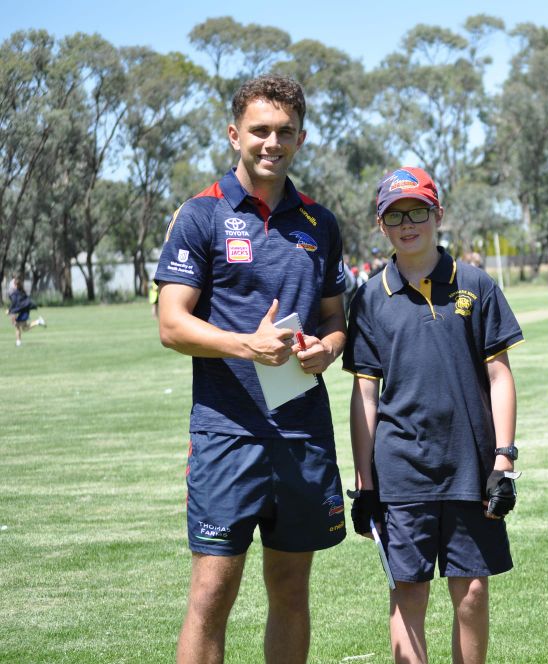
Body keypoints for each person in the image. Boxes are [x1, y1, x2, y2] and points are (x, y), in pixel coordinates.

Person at [153, 75, 349, 664]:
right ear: (235, 134)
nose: (272, 142)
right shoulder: (201, 215)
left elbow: (337, 321)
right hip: (225, 436)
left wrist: (327, 351)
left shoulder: (321, 225)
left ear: (302, 138)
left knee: (291, 591)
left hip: (301, 433)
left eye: (284, 131)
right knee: (212, 594)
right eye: (260, 130)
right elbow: (171, 324)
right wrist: (249, 346)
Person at [344, 166, 523, 664]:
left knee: (472, 595)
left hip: (471, 466)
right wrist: (365, 484)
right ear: (381, 225)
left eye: (418, 211)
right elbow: (364, 395)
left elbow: (500, 377)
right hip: (401, 471)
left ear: (438, 214)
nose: (408, 223)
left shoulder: (476, 284)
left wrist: (504, 461)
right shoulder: (369, 299)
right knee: (409, 594)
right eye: (395, 215)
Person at [7, 276, 45, 347]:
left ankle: (18, 343)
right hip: (23, 311)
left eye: (12, 284)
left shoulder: (17, 293)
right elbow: (17, 305)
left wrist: (10, 310)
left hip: (24, 311)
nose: (11, 286)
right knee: (21, 327)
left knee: (20, 327)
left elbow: (15, 303)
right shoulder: (19, 292)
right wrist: (12, 312)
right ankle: (38, 322)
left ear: (15, 285)